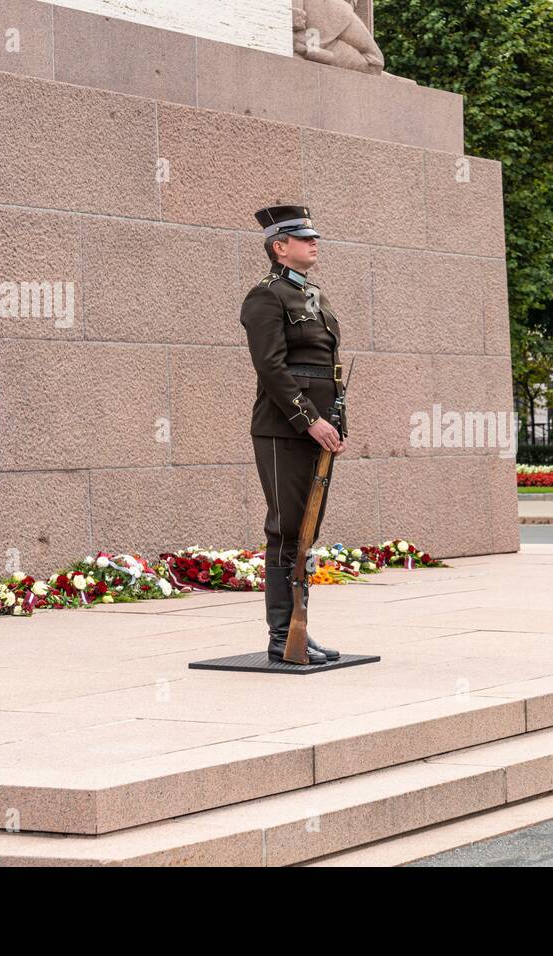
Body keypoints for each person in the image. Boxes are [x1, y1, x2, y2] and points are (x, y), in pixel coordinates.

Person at [240, 204, 348, 664]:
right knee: (286, 531)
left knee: (308, 532)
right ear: (279, 248)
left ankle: (301, 628)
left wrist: (335, 422)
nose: (314, 243)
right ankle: (282, 633)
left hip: (318, 431)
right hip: (284, 431)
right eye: (304, 239)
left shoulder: (314, 295)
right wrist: (310, 419)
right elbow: (271, 368)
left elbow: (327, 367)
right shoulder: (265, 297)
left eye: (314, 238)